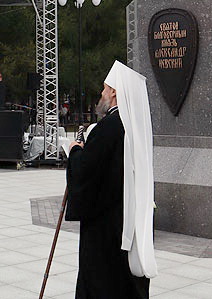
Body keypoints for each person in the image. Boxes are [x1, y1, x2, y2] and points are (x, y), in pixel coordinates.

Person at [66, 62, 156, 298]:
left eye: (104, 89)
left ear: (114, 92)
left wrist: (75, 152)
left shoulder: (109, 127)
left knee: (103, 280)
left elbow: (86, 171)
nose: (101, 95)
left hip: (104, 222)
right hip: (127, 216)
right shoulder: (131, 126)